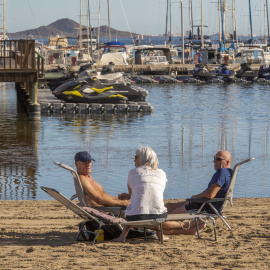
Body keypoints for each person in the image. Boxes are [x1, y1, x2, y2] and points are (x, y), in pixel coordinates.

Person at [162, 150, 233, 235]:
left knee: (164, 221)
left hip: (205, 206)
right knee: (168, 206)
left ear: (227, 162)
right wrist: (196, 198)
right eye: (214, 158)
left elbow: (210, 195)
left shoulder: (222, 172)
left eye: (218, 159)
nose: (214, 161)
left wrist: (196, 197)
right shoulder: (229, 172)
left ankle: (189, 228)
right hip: (206, 203)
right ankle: (194, 226)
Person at [112, 146, 168, 243]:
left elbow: (133, 194)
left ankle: (122, 237)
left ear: (143, 158)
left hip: (135, 219)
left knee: (133, 207)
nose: (134, 161)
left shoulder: (132, 172)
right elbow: (153, 193)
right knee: (155, 203)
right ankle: (161, 236)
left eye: (136, 157)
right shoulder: (162, 173)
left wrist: (128, 196)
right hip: (160, 218)